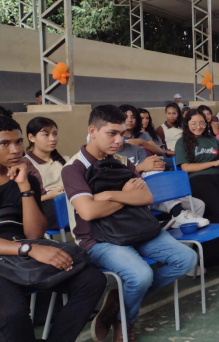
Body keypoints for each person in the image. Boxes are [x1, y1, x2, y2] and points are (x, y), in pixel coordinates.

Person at [62, 105, 197, 341]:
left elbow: (146, 197)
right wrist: (125, 195)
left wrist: (109, 195)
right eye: (111, 133)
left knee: (187, 258)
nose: (118, 140)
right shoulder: (74, 168)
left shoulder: (124, 162)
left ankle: (119, 302)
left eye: (122, 133)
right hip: (96, 238)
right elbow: (89, 211)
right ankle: (126, 320)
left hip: (135, 229)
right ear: (92, 131)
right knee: (141, 276)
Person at [0, 116, 108, 342]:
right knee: (13, 315)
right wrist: (28, 249)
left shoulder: (26, 178)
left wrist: (24, 187)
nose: (15, 149)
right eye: (5, 144)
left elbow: (34, 233)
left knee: (92, 281)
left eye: (18, 142)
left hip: (22, 251)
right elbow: (31, 243)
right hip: (14, 253)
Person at [175, 109, 219, 269]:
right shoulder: (182, 142)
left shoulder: (211, 139)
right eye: (194, 123)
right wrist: (213, 163)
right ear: (187, 124)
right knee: (218, 208)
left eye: (201, 123)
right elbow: (185, 167)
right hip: (197, 179)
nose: (198, 126)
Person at [117, 138, 209, 231]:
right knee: (151, 173)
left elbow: (152, 165)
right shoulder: (110, 156)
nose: (119, 138)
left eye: (121, 133)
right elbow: (118, 181)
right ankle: (177, 212)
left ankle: (187, 241)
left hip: (156, 193)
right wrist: (140, 167)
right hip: (138, 196)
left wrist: (158, 165)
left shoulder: (135, 149)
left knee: (199, 205)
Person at [23, 117, 67, 230]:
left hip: (69, 200)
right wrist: (50, 195)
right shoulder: (25, 164)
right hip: (46, 208)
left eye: (55, 134)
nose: (52, 139)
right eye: (46, 134)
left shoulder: (64, 160)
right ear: (31, 137)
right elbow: (24, 199)